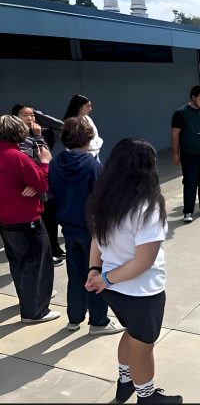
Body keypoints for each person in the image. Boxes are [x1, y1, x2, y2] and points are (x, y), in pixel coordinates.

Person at [85, 138, 182, 404]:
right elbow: (144, 261)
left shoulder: (104, 199)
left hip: (115, 291)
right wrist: (103, 277)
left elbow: (96, 238)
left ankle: (125, 382)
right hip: (142, 291)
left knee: (131, 334)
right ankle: (147, 396)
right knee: (143, 345)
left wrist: (96, 270)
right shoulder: (148, 207)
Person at [49, 117, 123, 336]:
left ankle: (74, 317)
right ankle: (98, 321)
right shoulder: (93, 166)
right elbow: (102, 201)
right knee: (95, 272)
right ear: (89, 137)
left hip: (68, 228)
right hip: (91, 231)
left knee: (75, 274)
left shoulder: (55, 163)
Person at [0, 115, 60, 323]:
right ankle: (36, 310)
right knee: (40, 264)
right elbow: (43, 184)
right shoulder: (18, 157)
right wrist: (44, 163)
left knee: (19, 264)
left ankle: (27, 301)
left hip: (6, 221)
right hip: (27, 218)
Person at [12, 103, 65, 268]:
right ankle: (48, 255)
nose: (30, 119)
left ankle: (54, 249)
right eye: (25, 115)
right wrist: (37, 137)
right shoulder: (15, 138)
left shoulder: (41, 131)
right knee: (40, 224)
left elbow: (62, 126)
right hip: (32, 186)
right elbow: (32, 160)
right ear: (15, 118)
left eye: (32, 115)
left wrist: (39, 115)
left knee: (51, 219)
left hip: (45, 181)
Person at [171, 85, 200, 222]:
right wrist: (175, 154)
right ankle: (188, 211)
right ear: (193, 97)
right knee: (190, 183)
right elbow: (175, 134)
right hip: (189, 155)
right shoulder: (181, 112)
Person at [64, 94, 103, 161]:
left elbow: (96, 136)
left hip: (95, 155)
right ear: (79, 107)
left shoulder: (88, 119)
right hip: (79, 158)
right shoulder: (70, 123)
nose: (90, 109)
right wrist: (95, 145)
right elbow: (79, 143)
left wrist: (97, 143)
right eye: (87, 106)